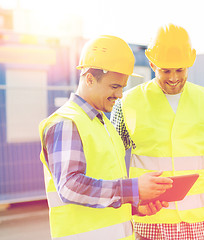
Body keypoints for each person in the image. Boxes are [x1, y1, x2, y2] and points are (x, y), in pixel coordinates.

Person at [39, 35, 173, 240]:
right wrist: (134, 187)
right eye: (114, 86)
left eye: (122, 87)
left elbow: (107, 190)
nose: (120, 94)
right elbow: (69, 187)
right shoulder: (66, 123)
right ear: (89, 79)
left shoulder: (104, 125)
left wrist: (135, 206)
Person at [111, 23, 204, 240]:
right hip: (151, 224)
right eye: (165, 70)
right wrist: (132, 206)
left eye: (180, 70)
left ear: (190, 63)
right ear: (152, 63)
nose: (173, 78)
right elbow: (113, 162)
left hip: (201, 224)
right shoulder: (127, 103)